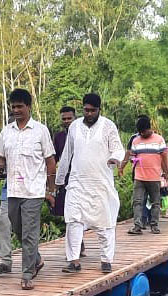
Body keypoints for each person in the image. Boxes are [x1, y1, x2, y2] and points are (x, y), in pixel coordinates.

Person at [0, 88, 56, 290]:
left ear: (28, 107)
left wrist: (51, 189)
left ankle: (27, 274)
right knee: (17, 228)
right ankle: (36, 258)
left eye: (20, 106)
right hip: (13, 189)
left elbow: (50, 161)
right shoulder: (6, 132)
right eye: (13, 106)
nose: (16, 110)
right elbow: (1, 158)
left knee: (29, 232)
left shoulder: (40, 130)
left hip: (34, 191)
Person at [55, 93, 124, 274]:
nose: (89, 113)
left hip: (100, 183)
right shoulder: (75, 127)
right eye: (86, 110)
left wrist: (115, 159)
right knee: (73, 221)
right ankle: (74, 261)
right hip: (77, 182)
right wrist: (59, 180)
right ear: (82, 108)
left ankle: (106, 260)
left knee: (105, 223)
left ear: (99, 110)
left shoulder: (108, 126)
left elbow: (117, 148)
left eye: (93, 110)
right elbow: (66, 155)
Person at [120, 115, 168, 235]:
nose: (142, 134)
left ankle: (154, 225)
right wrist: (122, 166)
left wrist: (166, 171)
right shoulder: (136, 140)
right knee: (137, 201)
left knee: (155, 202)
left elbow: (164, 156)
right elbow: (130, 154)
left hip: (154, 177)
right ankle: (137, 226)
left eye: (144, 131)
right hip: (139, 177)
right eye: (140, 132)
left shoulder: (159, 139)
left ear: (149, 128)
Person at [52, 105, 84, 257]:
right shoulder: (58, 137)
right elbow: (54, 158)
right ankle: (76, 247)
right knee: (69, 213)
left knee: (83, 212)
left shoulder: (83, 134)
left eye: (69, 118)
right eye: (64, 119)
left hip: (83, 178)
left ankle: (78, 244)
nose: (66, 121)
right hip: (66, 179)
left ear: (75, 118)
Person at [0, 112, 16, 275]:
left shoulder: (35, 136)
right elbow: (0, 167)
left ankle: (34, 259)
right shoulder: (6, 141)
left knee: (26, 227)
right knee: (4, 224)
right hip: (9, 189)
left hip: (29, 191)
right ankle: (5, 261)